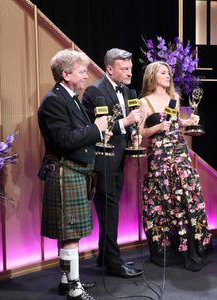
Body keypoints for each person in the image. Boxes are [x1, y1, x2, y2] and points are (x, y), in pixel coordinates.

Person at [38, 49, 111, 300]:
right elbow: (64, 140)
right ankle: (74, 288)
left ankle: (65, 280)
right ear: (66, 74)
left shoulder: (71, 97)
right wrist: (96, 129)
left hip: (74, 172)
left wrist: (99, 134)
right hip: (64, 172)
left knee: (71, 233)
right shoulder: (53, 101)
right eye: (82, 72)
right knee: (70, 234)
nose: (86, 77)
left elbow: (78, 135)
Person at [137, 61, 212, 271]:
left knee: (187, 192)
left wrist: (187, 122)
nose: (168, 76)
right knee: (163, 197)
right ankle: (167, 249)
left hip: (179, 151)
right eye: (164, 73)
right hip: (159, 154)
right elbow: (140, 133)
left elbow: (176, 123)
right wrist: (159, 127)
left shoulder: (174, 99)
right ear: (152, 76)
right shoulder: (145, 102)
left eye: (169, 73)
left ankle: (192, 244)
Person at [82, 48, 143, 278]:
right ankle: (114, 264)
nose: (129, 73)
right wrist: (126, 122)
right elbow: (97, 128)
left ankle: (104, 257)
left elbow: (132, 123)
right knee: (110, 213)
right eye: (124, 69)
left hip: (120, 160)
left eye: (130, 68)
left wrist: (134, 133)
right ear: (109, 69)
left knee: (110, 212)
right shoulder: (93, 92)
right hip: (103, 161)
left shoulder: (129, 92)